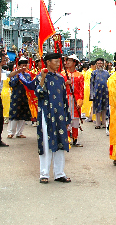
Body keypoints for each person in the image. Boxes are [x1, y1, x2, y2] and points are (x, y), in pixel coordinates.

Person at [36, 52, 72, 184]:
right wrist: (42, 79)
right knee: (46, 142)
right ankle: (44, 173)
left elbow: (64, 98)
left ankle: (59, 173)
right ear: (48, 62)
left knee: (60, 142)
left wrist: (67, 116)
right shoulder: (41, 76)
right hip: (46, 113)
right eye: (55, 61)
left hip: (59, 115)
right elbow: (38, 93)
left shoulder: (60, 78)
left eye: (59, 61)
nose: (58, 64)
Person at [7, 57, 32, 139]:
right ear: (18, 66)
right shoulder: (14, 74)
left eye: (25, 65)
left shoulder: (28, 75)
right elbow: (11, 84)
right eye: (22, 66)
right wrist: (17, 77)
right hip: (16, 97)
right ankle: (11, 132)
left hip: (25, 97)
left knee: (23, 115)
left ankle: (19, 133)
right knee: (14, 115)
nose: (24, 67)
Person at [62, 54, 84, 147]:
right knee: (66, 119)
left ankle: (75, 138)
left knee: (75, 120)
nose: (67, 62)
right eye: (67, 61)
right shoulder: (63, 74)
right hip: (66, 99)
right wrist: (65, 83)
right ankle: (66, 139)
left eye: (70, 61)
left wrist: (80, 101)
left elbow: (82, 90)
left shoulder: (79, 75)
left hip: (75, 99)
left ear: (74, 63)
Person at [90, 58, 109, 130]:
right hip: (97, 92)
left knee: (104, 108)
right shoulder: (94, 73)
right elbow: (91, 84)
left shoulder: (107, 73)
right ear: (96, 65)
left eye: (101, 63)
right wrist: (92, 94)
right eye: (98, 63)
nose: (100, 65)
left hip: (105, 92)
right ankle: (97, 123)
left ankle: (104, 123)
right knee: (97, 108)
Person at [0, 52, 8, 147]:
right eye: (3, 60)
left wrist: (19, 71)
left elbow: (9, 75)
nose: (4, 61)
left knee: (0, 119)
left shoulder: (2, 71)